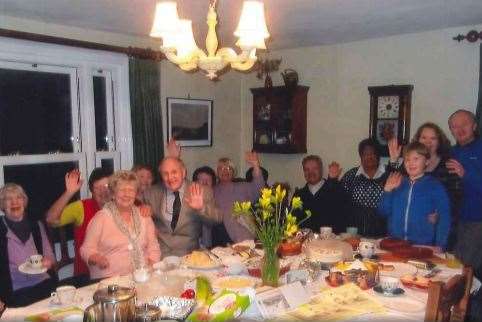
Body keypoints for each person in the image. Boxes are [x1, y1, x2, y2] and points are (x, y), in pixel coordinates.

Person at [388, 123, 462, 249]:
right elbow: (391, 186)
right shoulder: (410, 164)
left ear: (439, 142)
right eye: (424, 138)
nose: (428, 142)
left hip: (437, 233)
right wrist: (394, 160)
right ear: (417, 140)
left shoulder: (448, 164)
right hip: (407, 237)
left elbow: (456, 199)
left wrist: (438, 214)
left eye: (433, 138)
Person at [80, 170, 160, 279]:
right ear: (113, 194)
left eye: (131, 190)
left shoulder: (144, 216)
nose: (126, 194)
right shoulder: (101, 218)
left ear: (136, 194)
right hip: (110, 280)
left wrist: (152, 264)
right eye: (121, 190)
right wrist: (96, 258)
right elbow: (86, 249)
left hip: (142, 276)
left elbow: (153, 247)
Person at [144, 157, 222, 256]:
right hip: (159, 255)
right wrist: (141, 208)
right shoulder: (151, 193)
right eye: (165, 174)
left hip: (189, 256)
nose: (170, 177)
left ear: (184, 172)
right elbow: (131, 206)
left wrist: (201, 208)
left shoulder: (202, 191)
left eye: (174, 172)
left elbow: (217, 219)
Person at [378, 142, 450, 249]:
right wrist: (387, 191)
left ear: (427, 161)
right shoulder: (397, 182)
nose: (411, 163)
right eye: (407, 160)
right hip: (395, 243)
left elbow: (445, 217)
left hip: (422, 245)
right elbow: (383, 212)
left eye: (416, 159)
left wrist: (440, 245)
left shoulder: (435, 186)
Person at [46, 168, 111, 277]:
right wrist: (69, 192)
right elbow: (50, 219)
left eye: (107, 186)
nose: (103, 192)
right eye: (98, 188)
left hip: (115, 273)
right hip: (86, 276)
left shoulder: (121, 207)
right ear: (91, 190)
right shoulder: (81, 207)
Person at [0, 184, 57, 307]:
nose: (14, 202)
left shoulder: (36, 225)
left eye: (19, 197)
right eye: (8, 199)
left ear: (24, 201)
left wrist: (48, 261)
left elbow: (50, 256)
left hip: (43, 283)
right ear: (2, 205)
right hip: (15, 291)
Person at [447, 109, 482, 277]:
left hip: (476, 222)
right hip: (453, 222)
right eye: (455, 126)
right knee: (450, 269)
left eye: (464, 125)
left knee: (464, 273)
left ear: (474, 126)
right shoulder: (450, 152)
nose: (459, 129)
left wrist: (465, 174)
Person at [212, 152, 265, 246]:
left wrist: (256, 165)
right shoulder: (212, 191)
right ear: (216, 172)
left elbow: (259, 187)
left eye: (229, 168)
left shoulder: (242, 186)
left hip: (245, 236)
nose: (225, 171)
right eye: (221, 168)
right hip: (222, 238)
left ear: (233, 171)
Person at [340, 138, 388, 237]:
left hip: (384, 233)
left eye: (373, 153)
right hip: (355, 233)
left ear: (378, 155)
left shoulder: (389, 174)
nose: (369, 157)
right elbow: (340, 202)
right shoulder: (351, 176)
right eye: (366, 154)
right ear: (361, 156)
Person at [292, 155, 349, 233]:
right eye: (307, 169)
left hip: (331, 242)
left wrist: (333, 181)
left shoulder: (335, 189)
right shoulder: (298, 195)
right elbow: (293, 223)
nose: (310, 172)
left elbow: (343, 218)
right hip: (305, 243)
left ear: (321, 170)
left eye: (315, 168)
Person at [192, 166, 217, 248]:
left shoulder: (214, 198)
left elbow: (213, 220)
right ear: (195, 182)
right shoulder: (188, 194)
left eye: (208, 180)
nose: (205, 182)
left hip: (206, 241)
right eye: (201, 180)